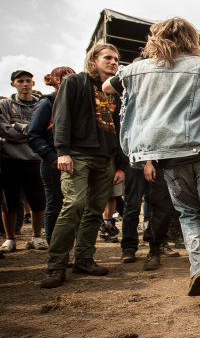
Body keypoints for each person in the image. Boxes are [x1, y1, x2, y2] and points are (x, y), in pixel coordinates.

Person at [104, 17, 200, 298]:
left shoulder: (135, 70)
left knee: (189, 214)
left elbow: (108, 86)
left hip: (166, 155)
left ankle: (199, 268)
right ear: (191, 39)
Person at [40, 45, 128, 288]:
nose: (113, 62)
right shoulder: (75, 82)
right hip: (77, 154)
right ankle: (56, 265)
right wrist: (63, 152)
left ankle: (84, 259)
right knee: (74, 204)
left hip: (107, 157)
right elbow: (62, 117)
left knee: (95, 210)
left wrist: (120, 164)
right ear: (94, 59)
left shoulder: (115, 91)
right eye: (108, 57)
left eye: (116, 59)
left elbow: (121, 129)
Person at [0, 70, 47, 253]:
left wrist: (18, 127)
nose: (25, 84)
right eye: (20, 81)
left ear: (33, 84)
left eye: (28, 81)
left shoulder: (41, 104)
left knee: (38, 201)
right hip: (9, 159)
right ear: (13, 84)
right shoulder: (4, 105)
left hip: (35, 160)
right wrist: (33, 133)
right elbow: (4, 131)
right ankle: (10, 239)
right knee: (9, 201)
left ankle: (36, 237)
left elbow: (44, 130)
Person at [27, 67, 74, 243]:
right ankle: (55, 247)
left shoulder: (78, 102)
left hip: (76, 162)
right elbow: (33, 135)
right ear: (54, 81)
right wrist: (52, 157)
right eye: (64, 78)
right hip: (53, 163)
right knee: (55, 204)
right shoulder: (47, 102)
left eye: (72, 78)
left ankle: (73, 247)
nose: (68, 81)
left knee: (77, 206)